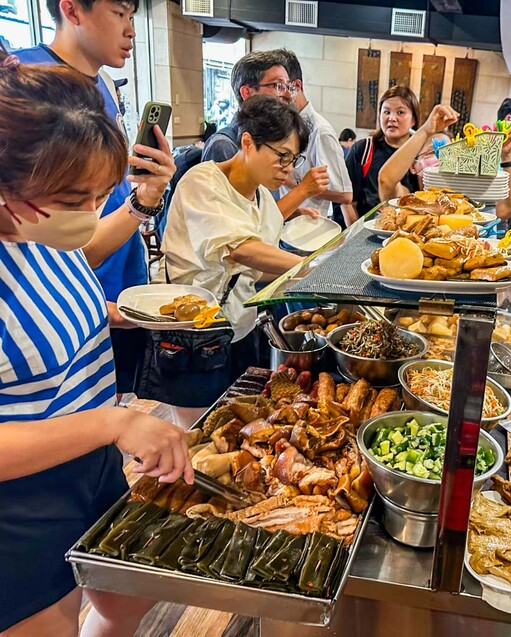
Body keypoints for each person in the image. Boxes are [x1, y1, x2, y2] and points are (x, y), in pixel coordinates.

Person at [0, 50, 192, 637]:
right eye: (74, 200)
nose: (88, 213)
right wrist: (113, 424)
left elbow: (69, 263)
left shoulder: (34, 227)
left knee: (121, 607)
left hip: (93, 466)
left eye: (97, 196)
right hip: (21, 507)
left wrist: (110, 312)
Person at [16, 0, 177, 399]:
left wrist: (146, 197)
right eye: (119, 14)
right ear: (72, 10)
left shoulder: (102, 84)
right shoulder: (27, 82)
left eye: (133, 17)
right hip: (56, 297)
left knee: (106, 393)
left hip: (106, 278)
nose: (131, 30)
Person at [153, 95, 306, 418]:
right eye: (282, 156)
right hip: (194, 337)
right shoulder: (203, 181)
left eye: (294, 159)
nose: (288, 169)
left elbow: (257, 271)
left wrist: (300, 277)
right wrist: (314, 266)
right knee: (195, 434)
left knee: (238, 425)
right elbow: (240, 249)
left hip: (240, 329)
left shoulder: (264, 199)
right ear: (248, 142)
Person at [201, 49, 329, 222]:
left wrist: (295, 212)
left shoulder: (269, 142)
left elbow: (259, 213)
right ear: (247, 92)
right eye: (278, 85)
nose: (287, 94)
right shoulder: (224, 146)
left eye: (288, 86)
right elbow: (239, 229)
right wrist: (303, 189)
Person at [377, 104, 511, 221]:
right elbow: (386, 180)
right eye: (432, 152)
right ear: (414, 165)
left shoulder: (466, 205)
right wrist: (425, 131)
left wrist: (506, 156)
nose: (442, 159)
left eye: (450, 153)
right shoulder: (408, 199)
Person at [274, 48, 353, 219]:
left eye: (278, 87)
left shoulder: (320, 130)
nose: (274, 95)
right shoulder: (284, 126)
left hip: (308, 232)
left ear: (295, 86)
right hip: (284, 225)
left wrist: (295, 184)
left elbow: (345, 194)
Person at [343, 85, 421, 225]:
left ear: (413, 120)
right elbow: (347, 201)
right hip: (365, 233)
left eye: (400, 112)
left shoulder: (420, 156)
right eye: (386, 112)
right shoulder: (363, 149)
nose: (392, 118)